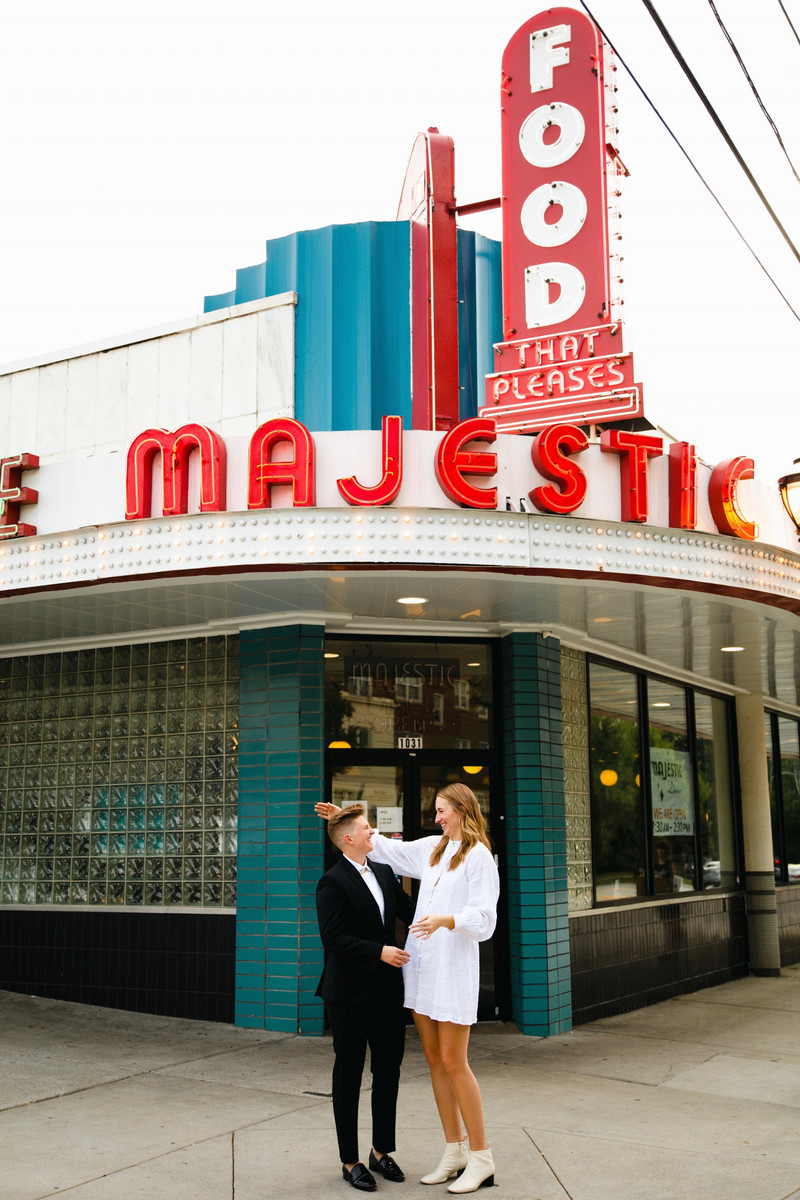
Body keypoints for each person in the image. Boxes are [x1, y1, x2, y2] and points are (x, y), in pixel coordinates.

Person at [316, 784, 500, 1194]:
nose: (436, 818)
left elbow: (485, 919)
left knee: (455, 1062)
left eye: (441, 811)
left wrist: (446, 920)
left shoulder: (479, 856)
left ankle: (481, 1157)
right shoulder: (434, 849)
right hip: (420, 970)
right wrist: (341, 819)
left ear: (462, 811)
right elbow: (386, 849)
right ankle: (453, 1151)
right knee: (434, 1060)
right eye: (435, 811)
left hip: (451, 969)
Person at [315, 803, 415, 1193]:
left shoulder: (386, 873)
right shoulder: (332, 881)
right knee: (350, 1076)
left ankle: (381, 1151)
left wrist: (450, 918)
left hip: (388, 992)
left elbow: (411, 911)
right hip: (349, 996)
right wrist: (380, 951)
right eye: (366, 828)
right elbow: (333, 939)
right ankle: (350, 1160)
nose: (373, 832)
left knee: (388, 1071)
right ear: (348, 839)